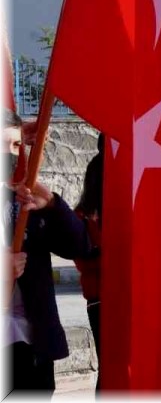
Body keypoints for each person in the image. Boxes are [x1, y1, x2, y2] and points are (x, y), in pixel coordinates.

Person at [3, 110, 94, 396]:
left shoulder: (23, 200)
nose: (11, 155)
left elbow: (80, 246)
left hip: (31, 346)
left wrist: (54, 206)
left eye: (16, 146)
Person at [73, 133, 105, 389]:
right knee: (110, 367)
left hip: (132, 297)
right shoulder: (82, 217)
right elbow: (85, 259)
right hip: (102, 302)